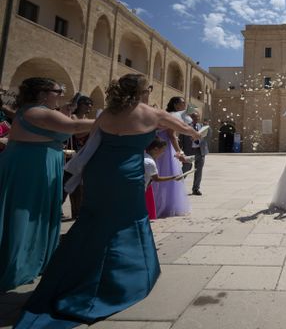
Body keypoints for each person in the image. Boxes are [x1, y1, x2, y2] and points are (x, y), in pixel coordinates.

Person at [14, 74, 200, 327]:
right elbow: (187, 130)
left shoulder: (107, 113)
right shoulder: (153, 114)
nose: (150, 92)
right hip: (126, 175)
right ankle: (120, 280)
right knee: (127, 221)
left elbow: (92, 142)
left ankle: (72, 275)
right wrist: (197, 134)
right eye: (149, 88)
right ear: (142, 91)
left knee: (93, 220)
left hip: (98, 172)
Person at [0, 78, 94, 292]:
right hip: (28, 167)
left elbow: (73, 130)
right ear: (42, 94)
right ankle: (17, 262)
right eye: (57, 90)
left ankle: (34, 257)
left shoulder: (37, 111)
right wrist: (111, 119)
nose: (61, 94)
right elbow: (75, 126)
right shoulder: (35, 111)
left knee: (37, 213)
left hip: (38, 165)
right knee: (24, 214)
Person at [153, 97, 191, 217]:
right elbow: (171, 135)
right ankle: (163, 205)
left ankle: (158, 203)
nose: (185, 104)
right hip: (164, 148)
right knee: (166, 173)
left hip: (161, 145)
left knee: (160, 173)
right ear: (176, 105)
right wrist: (180, 152)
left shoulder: (169, 115)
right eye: (182, 103)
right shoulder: (172, 116)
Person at [144, 137, 185, 220]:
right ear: (155, 149)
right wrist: (173, 177)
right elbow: (156, 179)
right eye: (162, 150)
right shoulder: (150, 162)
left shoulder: (144, 156)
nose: (163, 153)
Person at [179, 110, 208, 195]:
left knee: (199, 171)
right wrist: (180, 152)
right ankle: (177, 186)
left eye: (198, 117)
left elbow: (206, 137)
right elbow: (181, 140)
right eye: (194, 117)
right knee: (186, 168)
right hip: (189, 151)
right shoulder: (185, 127)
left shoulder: (202, 126)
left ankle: (196, 189)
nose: (196, 119)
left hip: (200, 151)